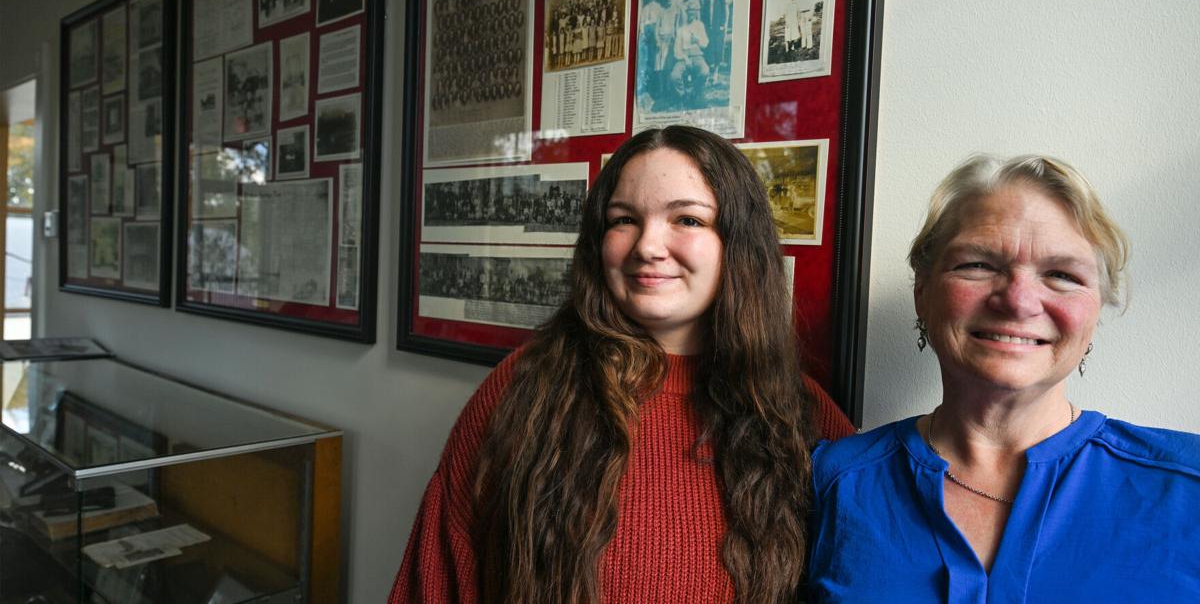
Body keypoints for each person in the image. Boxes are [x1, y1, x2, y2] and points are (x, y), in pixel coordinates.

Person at [391, 126, 855, 604]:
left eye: (687, 219)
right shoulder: (522, 387)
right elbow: (435, 581)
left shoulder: (798, 411)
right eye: (624, 219)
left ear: (738, 244)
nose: (647, 246)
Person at [807, 155, 1200, 601]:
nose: (1018, 301)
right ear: (922, 294)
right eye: (978, 265)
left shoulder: (1188, 484)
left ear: (1096, 310)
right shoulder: (831, 483)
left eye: (1061, 275)